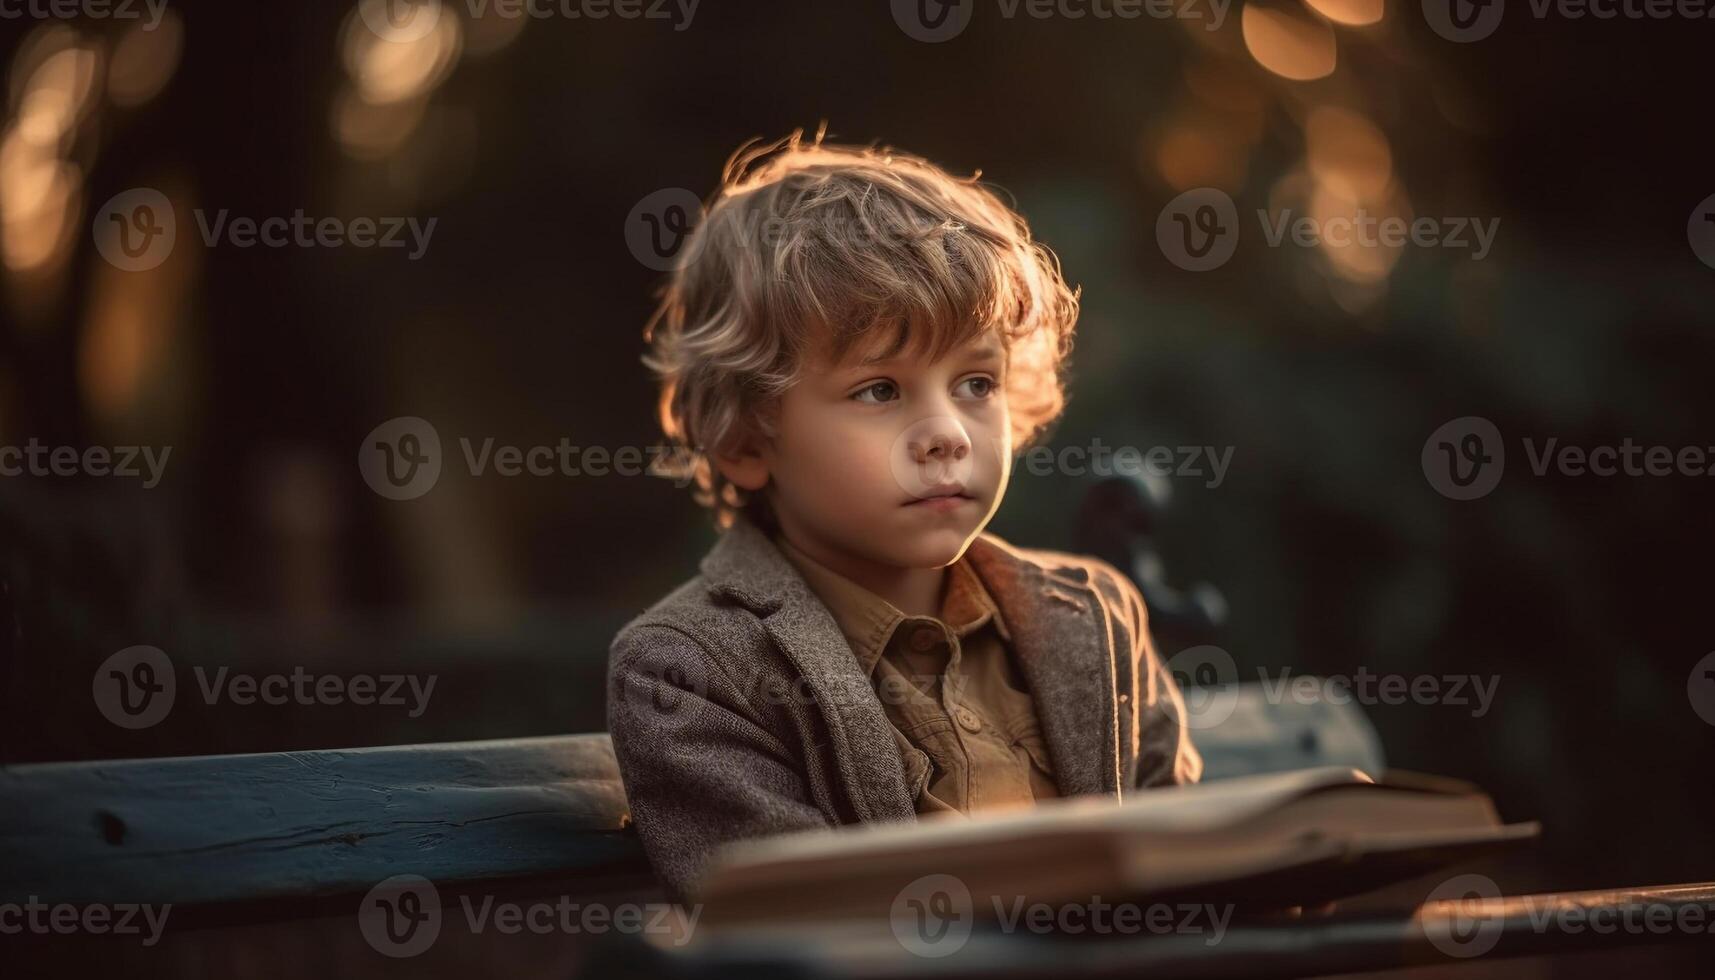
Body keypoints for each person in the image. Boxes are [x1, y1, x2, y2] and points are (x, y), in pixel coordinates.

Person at [607, 129, 1202, 901]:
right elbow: (803, 930)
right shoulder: (689, 673)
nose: (948, 435)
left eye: (976, 383)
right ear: (745, 439)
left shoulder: (1094, 615)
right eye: (880, 390)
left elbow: (1190, 872)